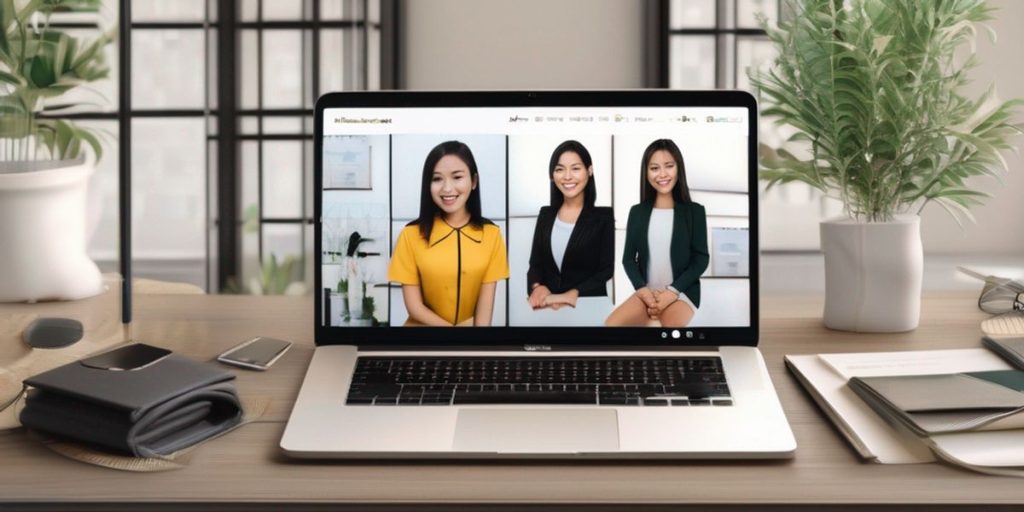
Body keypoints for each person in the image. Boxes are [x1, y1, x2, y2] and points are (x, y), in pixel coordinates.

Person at [388, 140, 509, 326]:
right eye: (437, 179)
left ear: (474, 181)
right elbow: (414, 307)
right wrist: (454, 336)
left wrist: (476, 347)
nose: (447, 188)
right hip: (420, 341)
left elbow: (484, 312)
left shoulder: (491, 235)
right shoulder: (411, 234)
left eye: (457, 177)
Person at [606, 139, 708, 327]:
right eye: (654, 168)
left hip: (682, 292)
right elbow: (628, 259)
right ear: (646, 172)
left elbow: (701, 259)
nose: (662, 174)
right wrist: (642, 290)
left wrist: (672, 291)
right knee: (610, 326)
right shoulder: (637, 212)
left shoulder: (695, 211)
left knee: (665, 334)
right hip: (647, 291)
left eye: (669, 166)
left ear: (679, 168)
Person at [526, 140, 614, 311]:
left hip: (588, 308)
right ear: (552, 175)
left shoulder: (604, 217)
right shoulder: (546, 215)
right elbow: (535, 265)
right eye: (560, 169)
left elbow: (606, 269)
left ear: (589, 171)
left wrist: (575, 292)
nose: (567, 176)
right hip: (549, 310)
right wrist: (537, 287)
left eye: (575, 168)